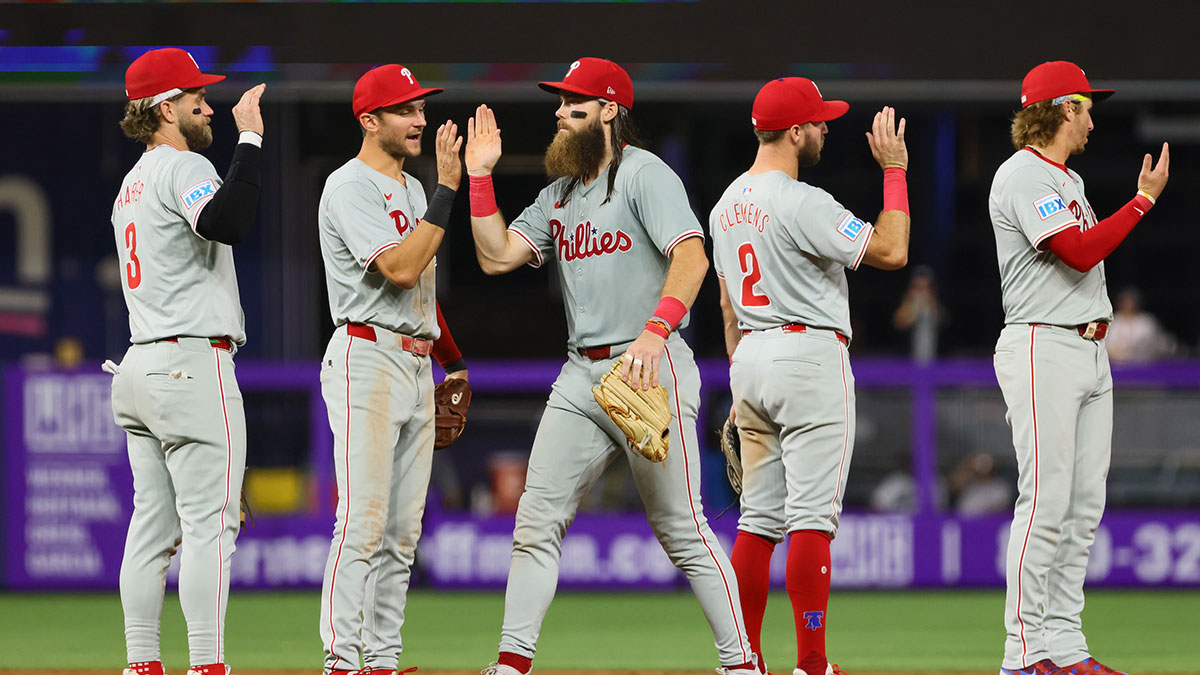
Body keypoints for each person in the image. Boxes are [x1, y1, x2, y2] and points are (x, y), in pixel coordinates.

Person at [463, 57, 755, 675]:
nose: (560, 113)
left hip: (651, 364)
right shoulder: (558, 195)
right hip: (579, 377)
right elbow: (496, 257)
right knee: (535, 522)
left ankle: (741, 663)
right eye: (560, 104)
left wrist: (655, 332)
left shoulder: (646, 174)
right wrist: (479, 177)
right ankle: (512, 664)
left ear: (610, 112)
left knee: (682, 530)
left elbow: (693, 258)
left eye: (574, 104)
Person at [709, 77, 910, 675]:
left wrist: (743, 379)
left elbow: (725, 308)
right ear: (794, 131)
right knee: (810, 520)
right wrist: (894, 170)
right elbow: (893, 250)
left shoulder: (723, 207)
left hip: (749, 358)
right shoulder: (802, 200)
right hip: (808, 356)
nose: (825, 129)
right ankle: (814, 663)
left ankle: (742, 663)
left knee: (757, 522)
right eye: (819, 122)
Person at [989, 61, 1168, 675]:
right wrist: (1143, 202)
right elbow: (1077, 250)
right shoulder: (1022, 175)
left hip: (1089, 348)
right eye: (1087, 106)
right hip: (1044, 344)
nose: (1093, 116)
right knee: (1044, 501)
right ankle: (1023, 653)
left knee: (1083, 507)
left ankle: (1063, 647)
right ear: (1064, 108)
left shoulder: (1069, 180)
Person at [108, 48, 265, 675]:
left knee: (152, 529)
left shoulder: (131, 184)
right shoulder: (181, 165)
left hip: (140, 368)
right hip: (190, 364)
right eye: (195, 94)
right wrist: (249, 140)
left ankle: (141, 664)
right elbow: (228, 221)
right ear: (164, 106)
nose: (207, 103)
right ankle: (207, 666)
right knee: (209, 527)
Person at [316, 64, 468, 675]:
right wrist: (449, 189)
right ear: (368, 120)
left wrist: (453, 364)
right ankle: (341, 661)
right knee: (363, 522)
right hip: (366, 357)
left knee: (404, 531)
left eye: (421, 108)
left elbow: (421, 297)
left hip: (414, 361)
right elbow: (400, 271)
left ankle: (381, 661)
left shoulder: (411, 191)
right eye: (405, 110)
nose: (420, 120)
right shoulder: (348, 185)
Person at [1105, 287, 1175, 362]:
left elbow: (1155, 345)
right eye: (1125, 301)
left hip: (1144, 365)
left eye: (1130, 301)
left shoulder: (1147, 321)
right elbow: (1107, 347)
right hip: (1118, 366)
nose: (1128, 305)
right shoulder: (1113, 321)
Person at [891, 265, 944, 362]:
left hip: (934, 361)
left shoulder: (933, 303)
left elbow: (944, 322)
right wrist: (912, 308)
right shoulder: (906, 302)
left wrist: (931, 303)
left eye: (925, 287)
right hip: (907, 362)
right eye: (918, 287)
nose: (922, 291)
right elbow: (898, 324)